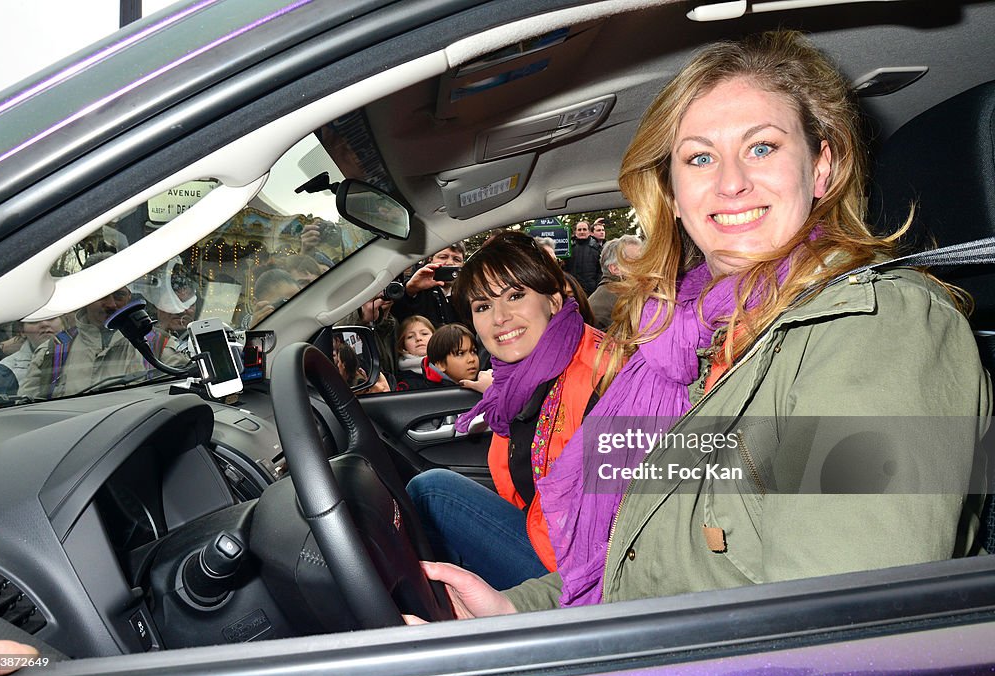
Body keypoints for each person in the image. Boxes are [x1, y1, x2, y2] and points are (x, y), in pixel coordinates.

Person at [413, 30, 990, 618]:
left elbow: (837, 636)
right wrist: (513, 612)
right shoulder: (686, 344)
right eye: (699, 157)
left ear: (822, 169)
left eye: (762, 147)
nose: (730, 181)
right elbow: (641, 561)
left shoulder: (882, 330)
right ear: (674, 194)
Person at [406, 231, 610, 590]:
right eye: (483, 306)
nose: (500, 317)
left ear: (553, 299)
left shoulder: (605, 378)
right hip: (545, 538)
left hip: (582, 576)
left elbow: (619, 530)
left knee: (431, 492)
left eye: (515, 295)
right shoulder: (516, 383)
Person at [20, 255, 190, 399]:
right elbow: (25, 415)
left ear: (129, 297)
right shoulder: (52, 352)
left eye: (119, 295)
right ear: (85, 297)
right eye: (102, 295)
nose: (111, 304)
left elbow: (184, 403)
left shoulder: (160, 346)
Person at [392, 243, 466, 328]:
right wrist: (410, 289)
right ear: (430, 259)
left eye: (457, 259)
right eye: (443, 257)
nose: (450, 263)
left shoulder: (467, 292)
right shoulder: (416, 287)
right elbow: (397, 311)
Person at [395, 323, 478, 391]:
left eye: (473, 351)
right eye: (460, 353)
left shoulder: (487, 382)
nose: (471, 359)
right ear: (441, 364)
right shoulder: (422, 392)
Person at [589, 235, 643, 330]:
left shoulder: (630, 294)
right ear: (615, 269)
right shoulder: (602, 305)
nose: (645, 265)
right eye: (637, 261)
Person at [0, 316, 66, 386]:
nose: (44, 324)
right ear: (22, 331)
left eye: (51, 318)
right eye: (34, 321)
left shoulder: (76, 356)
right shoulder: (7, 367)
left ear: (63, 324)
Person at [394, 315, 434, 389]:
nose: (418, 338)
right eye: (410, 336)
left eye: (424, 334)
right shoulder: (402, 380)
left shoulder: (451, 367)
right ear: (403, 345)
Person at [563, 222, 602, 295]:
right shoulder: (568, 249)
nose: (582, 232)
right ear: (575, 232)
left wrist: (597, 286)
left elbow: (600, 271)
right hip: (573, 289)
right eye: (579, 229)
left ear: (589, 232)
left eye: (584, 229)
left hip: (592, 291)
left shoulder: (597, 249)